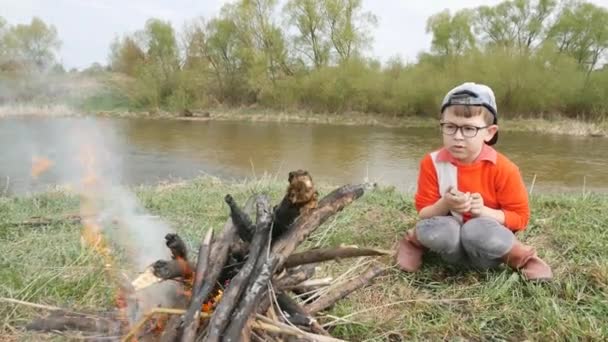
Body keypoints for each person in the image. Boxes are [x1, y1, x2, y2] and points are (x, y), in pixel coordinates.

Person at [396, 82, 552, 281]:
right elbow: (424, 213)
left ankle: (523, 259)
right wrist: (445, 203)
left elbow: (520, 218)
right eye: (450, 127)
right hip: (449, 245)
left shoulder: (504, 169)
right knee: (438, 230)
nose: (458, 137)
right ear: (441, 126)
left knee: (475, 230)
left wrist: (483, 212)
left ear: (489, 132)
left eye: (469, 129)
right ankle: (413, 242)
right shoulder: (431, 163)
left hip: (485, 245)